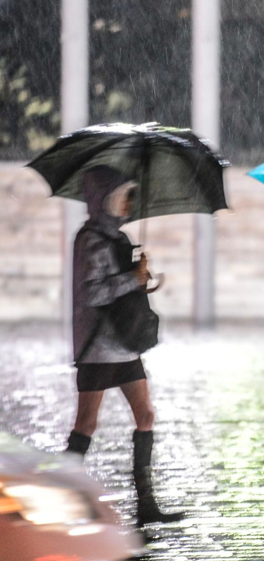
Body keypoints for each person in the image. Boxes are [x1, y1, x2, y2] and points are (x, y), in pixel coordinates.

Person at [65, 164, 183, 527]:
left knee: (145, 416)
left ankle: (146, 503)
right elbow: (93, 293)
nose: (128, 204)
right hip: (98, 348)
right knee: (86, 424)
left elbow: (123, 289)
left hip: (125, 344)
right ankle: (60, 495)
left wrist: (141, 279)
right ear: (104, 200)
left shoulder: (120, 238)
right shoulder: (89, 240)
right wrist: (131, 278)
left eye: (130, 197)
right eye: (122, 197)